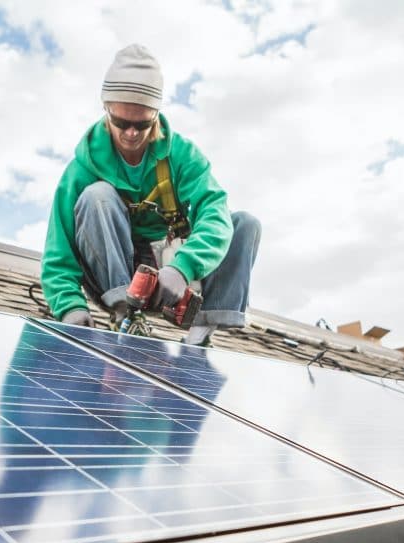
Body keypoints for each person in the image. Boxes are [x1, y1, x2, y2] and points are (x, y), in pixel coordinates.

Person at [40, 44, 261, 346]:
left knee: (245, 224)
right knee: (97, 197)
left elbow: (215, 215)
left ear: (156, 115)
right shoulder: (83, 167)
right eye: (121, 122)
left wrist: (182, 268)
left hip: (173, 271)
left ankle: (201, 333)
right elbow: (59, 249)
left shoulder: (183, 156)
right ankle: (127, 316)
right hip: (116, 270)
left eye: (142, 124)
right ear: (107, 110)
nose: (131, 133)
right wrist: (68, 306)